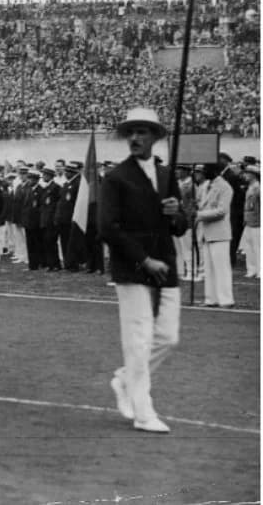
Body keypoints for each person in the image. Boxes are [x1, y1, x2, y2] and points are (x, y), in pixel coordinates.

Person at [100, 107, 187, 434]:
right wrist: (143, 259)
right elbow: (107, 227)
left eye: (143, 132)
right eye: (131, 132)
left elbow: (180, 226)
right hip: (133, 267)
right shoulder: (116, 178)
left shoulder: (167, 177)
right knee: (138, 341)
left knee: (168, 337)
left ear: (155, 137)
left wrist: (176, 213)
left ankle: (124, 380)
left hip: (165, 265)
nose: (135, 138)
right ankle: (143, 412)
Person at [194, 163, 234, 308]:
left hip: (219, 233)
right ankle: (211, 299)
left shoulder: (225, 187)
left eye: (206, 170)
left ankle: (226, 299)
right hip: (206, 232)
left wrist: (199, 214)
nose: (204, 172)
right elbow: (201, 204)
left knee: (221, 268)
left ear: (215, 171)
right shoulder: (205, 186)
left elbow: (222, 211)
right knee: (209, 269)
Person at [243, 165, 260, 279]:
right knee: (249, 247)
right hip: (249, 221)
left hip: (257, 222)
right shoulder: (250, 187)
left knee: (258, 247)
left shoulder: (258, 188)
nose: (245, 175)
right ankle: (251, 269)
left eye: (247, 173)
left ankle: (259, 270)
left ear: (253, 175)